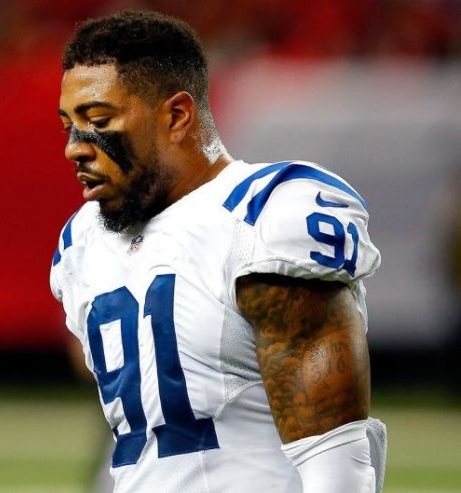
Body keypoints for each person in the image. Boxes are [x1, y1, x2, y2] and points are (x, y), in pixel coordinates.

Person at [49, 10, 387, 493]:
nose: (75, 148)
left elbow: (333, 452)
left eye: (98, 120)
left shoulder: (262, 217)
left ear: (177, 116)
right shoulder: (84, 241)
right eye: (68, 125)